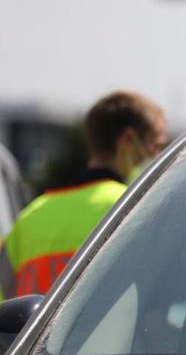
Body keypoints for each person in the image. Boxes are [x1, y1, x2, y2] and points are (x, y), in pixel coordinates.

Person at [0, 91, 167, 297]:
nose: (159, 156)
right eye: (157, 146)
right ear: (128, 140)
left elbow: (6, 310)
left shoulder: (29, 219)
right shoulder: (140, 208)